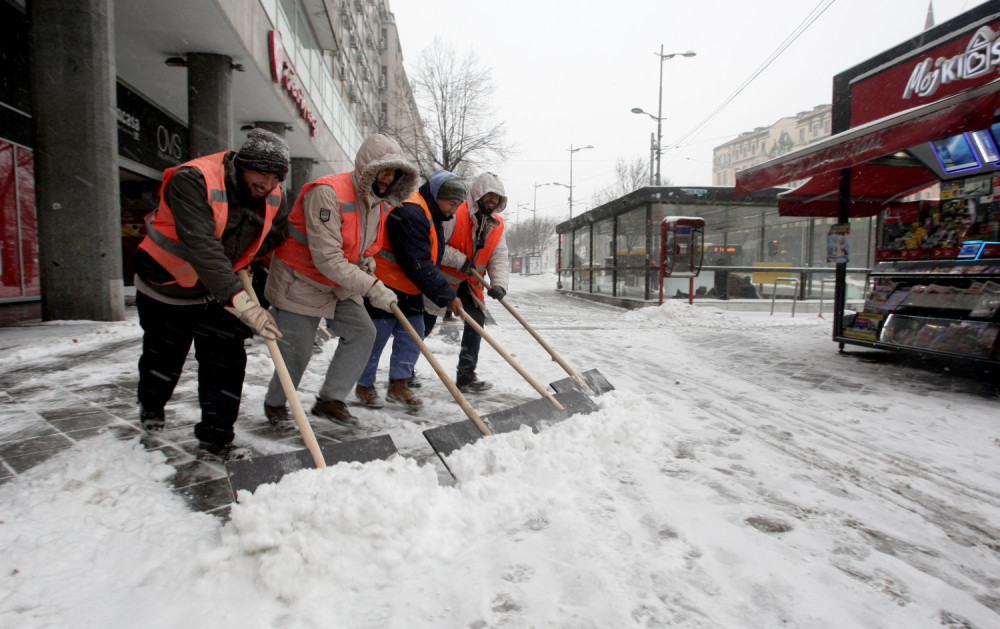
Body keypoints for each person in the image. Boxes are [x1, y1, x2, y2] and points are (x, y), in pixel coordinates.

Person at [133, 128, 291, 460]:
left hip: (217, 291)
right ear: (241, 164)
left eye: (275, 179)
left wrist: (261, 281)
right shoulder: (193, 179)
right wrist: (245, 305)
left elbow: (277, 237)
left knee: (227, 361)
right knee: (164, 359)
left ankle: (217, 438)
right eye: (260, 176)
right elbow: (202, 248)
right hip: (167, 286)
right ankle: (152, 404)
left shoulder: (274, 194)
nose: (267, 186)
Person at [260, 134, 419, 428]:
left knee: (363, 332)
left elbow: (363, 245)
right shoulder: (327, 193)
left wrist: (366, 260)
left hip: (337, 283)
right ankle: (276, 405)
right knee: (299, 348)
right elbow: (327, 259)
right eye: (382, 169)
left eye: (393, 172)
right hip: (301, 278)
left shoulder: (379, 203)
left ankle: (330, 400)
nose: (387, 178)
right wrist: (372, 287)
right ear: (366, 167)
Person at [355, 170, 467, 408]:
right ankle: (364, 385)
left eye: (458, 205)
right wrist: (448, 296)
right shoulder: (411, 211)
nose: (453, 210)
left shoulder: (431, 212)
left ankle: (399, 384)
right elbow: (417, 262)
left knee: (412, 335)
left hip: (409, 287)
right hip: (385, 284)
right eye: (452, 203)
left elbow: (427, 259)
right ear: (438, 195)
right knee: (376, 337)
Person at [422, 172, 509, 392]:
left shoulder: (497, 225)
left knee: (476, 321)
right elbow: (436, 246)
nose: (493, 200)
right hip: (441, 280)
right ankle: (404, 372)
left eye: (497, 197)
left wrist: (499, 284)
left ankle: (466, 374)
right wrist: (460, 260)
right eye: (489, 194)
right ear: (478, 193)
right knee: (425, 324)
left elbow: (498, 256)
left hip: (470, 284)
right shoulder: (455, 212)